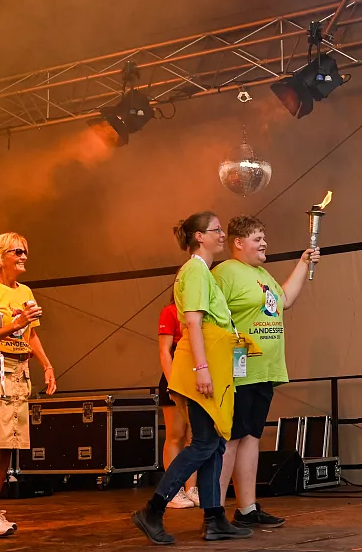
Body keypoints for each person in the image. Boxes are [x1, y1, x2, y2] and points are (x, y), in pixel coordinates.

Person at [132, 212, 258, 544]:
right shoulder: (195, 271)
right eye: (216, 230)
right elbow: (193, 323)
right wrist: (202, 368)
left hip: (213, 364)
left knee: (214, 443)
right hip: (202, 366)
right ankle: (152, 510)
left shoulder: (202, 272)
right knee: (204, 443)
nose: (222, 235)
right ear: (199, 236)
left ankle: (214, 518)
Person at [213, 215, 320, 528]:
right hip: (239, 369)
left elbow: (284, 300)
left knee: (251, 437)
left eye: (264, 238)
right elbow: (211, 317)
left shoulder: (261, 274)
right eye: (257, 239)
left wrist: (303, 262)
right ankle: (215, 512)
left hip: (265, 369)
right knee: (230, 439)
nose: (264, 244)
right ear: (238, 242)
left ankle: (246, 509)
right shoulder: (224, 273)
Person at [0, 232, 57, 537]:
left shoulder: (26, 291)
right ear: (1, 256)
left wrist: (47, 365)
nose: (23, 257)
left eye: (25, 252)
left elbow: (31, 334)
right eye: (17, 252)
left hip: (19, 370)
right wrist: (13, 325)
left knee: (9, 443)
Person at [157, 294, 198, 508]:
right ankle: (172, 491)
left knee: (194, 435)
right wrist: (174, 383)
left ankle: (192, 488)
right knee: (175, 435)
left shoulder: (202, 311)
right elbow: (165, 351)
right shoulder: (170, 311)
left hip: (196, 376)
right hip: (175, 378)